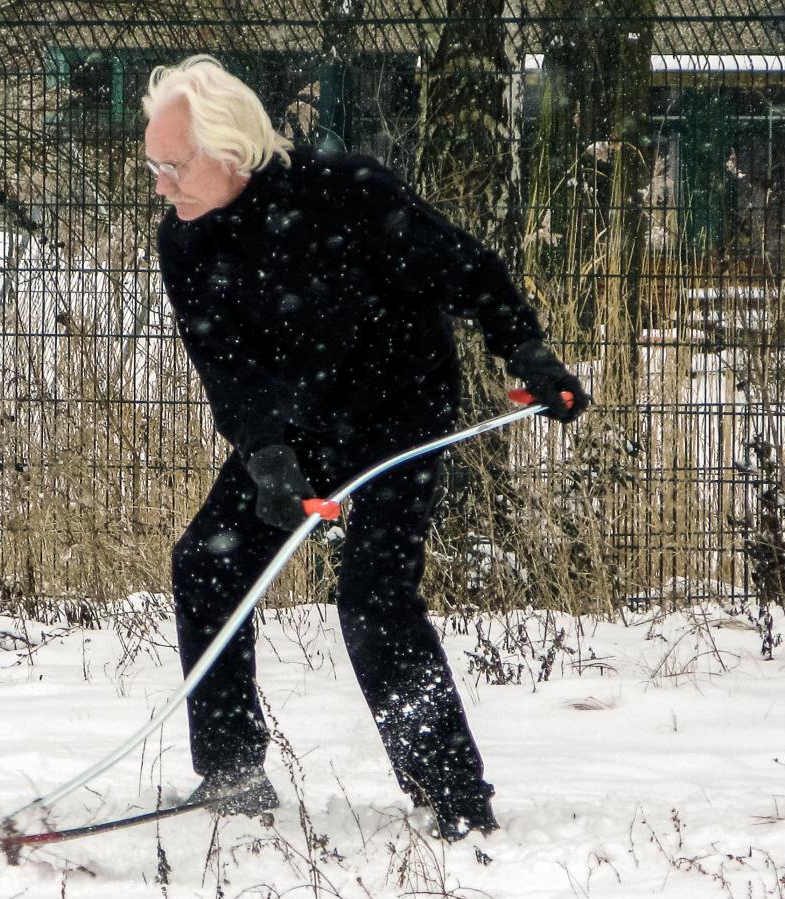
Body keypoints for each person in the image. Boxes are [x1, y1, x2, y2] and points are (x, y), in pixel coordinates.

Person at [142, 55, 589, 840]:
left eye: (173, 166)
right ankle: (232, 770)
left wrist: (527, 354)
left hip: (398, 411)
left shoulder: (344, 192)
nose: (161, 184)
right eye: (154, 166)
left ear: (230, 149)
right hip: (303, 424)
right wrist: (268, 456)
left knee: (373, 597)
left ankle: (455, 798)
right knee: (207, 563)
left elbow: (467, 270)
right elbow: (229, 368)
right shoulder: (184, 244)